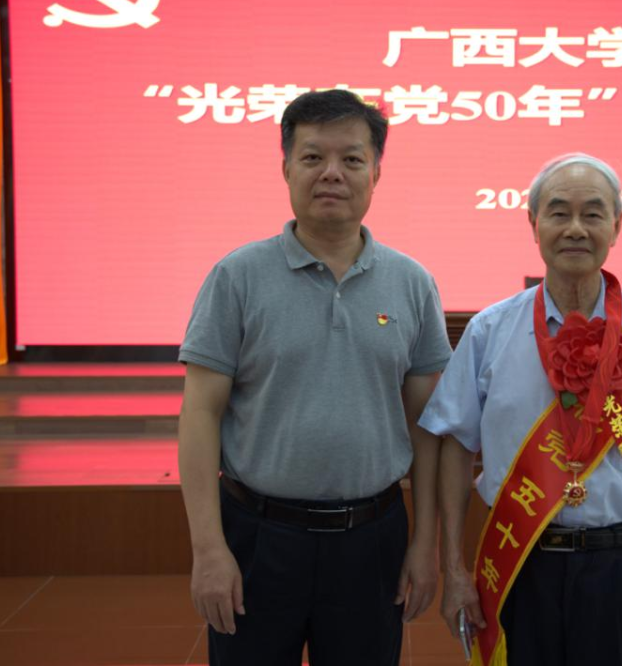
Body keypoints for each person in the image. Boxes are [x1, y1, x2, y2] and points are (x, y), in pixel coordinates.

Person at [177, 89, 452, 666]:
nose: (332, 173)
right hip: (258, 537)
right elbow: (200, 414)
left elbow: (427, 427)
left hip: (372, 539)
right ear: (286, 168)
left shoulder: (412, 282)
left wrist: (424, 543)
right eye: (312, 157)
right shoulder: (237, 277)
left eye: (351, 159)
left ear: (376, 173)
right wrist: (208, 549)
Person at [420, 153, 622, 666]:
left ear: (616, 225)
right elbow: (456, 448)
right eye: (559, 213)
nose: (576, 228)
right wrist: (454, 569)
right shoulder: (489, 331)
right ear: (534, 224)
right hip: (521, 565)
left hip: (621, 568)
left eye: (593, 214)